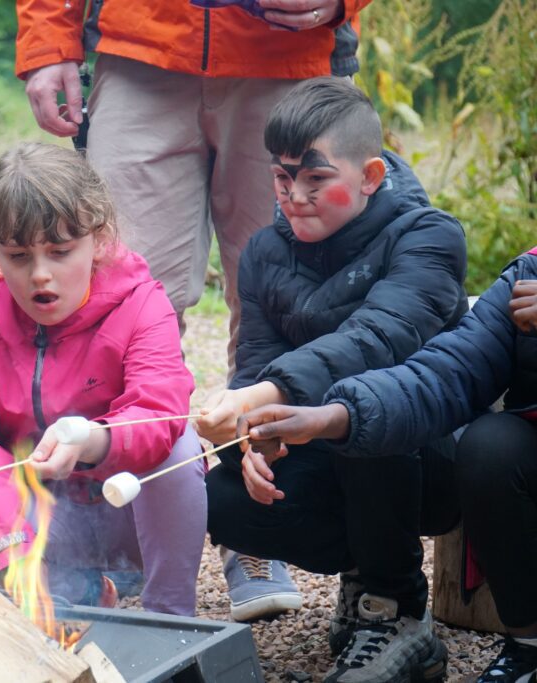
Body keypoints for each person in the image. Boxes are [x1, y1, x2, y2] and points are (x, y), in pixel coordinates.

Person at [17, 0, 372, 621]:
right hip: (141, 44)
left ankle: (257, 529)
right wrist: (49, 41)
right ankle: (116, 540)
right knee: (111, 302)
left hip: (287, 57)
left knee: (290, 304)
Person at [198, 76, 467, 682]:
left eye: (316, 179)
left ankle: (397, 614)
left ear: (369, 176)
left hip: (431, 461)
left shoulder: (429, 236)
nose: (294, 195)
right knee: (223, 499)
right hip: (328, 451)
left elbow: (378, 339)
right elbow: (258, 363)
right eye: (281, 176)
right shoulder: (265, 253)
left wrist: (266, 395)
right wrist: (252, 440)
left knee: (369, 405)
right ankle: (366, 576)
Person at [236, 246, 537, 683]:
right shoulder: (527, 272)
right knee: (491, 447)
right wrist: (332, 418)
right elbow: (444, 375)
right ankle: (528, 648)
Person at [0, 142, 206, 616]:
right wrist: (15, 564)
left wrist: (93, 439)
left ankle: (170, 616)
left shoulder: (142, 304)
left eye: (60, 252)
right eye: (18, 257)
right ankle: (70, 594)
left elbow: (162, 411)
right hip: (44, 517)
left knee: (182, 447)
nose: (41, 275)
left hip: (125, 507)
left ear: (98, 239)